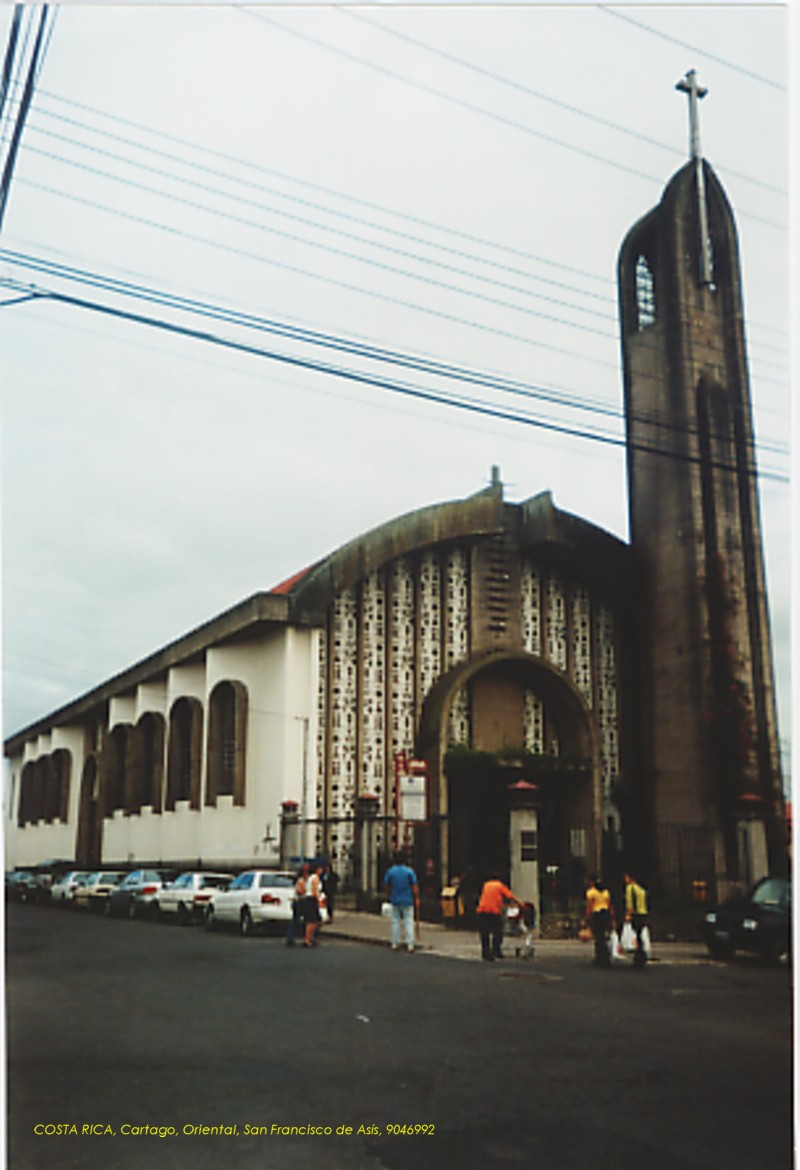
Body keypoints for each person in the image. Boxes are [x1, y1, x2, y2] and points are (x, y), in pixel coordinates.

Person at [475, 874, 524, 961]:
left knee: (484, 933)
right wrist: (520, 903)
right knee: (498, 932)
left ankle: (485, 953)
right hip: (493, 911)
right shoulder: (500, 886)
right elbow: (510, 896)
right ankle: (496, 951)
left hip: (481, 910)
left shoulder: (486, 884)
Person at [383, 851, 419, 952]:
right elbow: (414, 886)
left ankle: (395, 942)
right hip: (407, 900)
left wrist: (389, 894)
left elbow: (386, 885)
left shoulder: (390, 872)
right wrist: (416, 897)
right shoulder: (409, 872)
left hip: (395, 899)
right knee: (408, 922)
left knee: (395, 921)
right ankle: (410, 943)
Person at [584, 876, 615, 967]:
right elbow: (609, 905)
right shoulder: (605, 892)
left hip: (597, 915)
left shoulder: (591, 892)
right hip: (605, 914)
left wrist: (586, 917)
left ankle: (600, 957)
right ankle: (605, 956)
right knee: (604, 936)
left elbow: (589, 906)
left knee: (598, 936)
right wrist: (612, 917)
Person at [624, 872, 649, 968]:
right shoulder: (641, 889)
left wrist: (628, 915)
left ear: (630, 878)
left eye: (626, 878)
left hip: (636, 914)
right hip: (643, 913)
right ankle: (641, 954)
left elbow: (630, 903)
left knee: (636, 935)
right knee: (639, 935)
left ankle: (639, 955)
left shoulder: (630, 888)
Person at [286, 865, 309, 947]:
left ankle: (308, 937)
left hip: (302, 902)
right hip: (299, 902)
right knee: (295, 921)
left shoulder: (304, 880)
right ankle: (290, 938)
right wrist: (306, 891)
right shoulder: (301, 881)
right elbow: (299, 891)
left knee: (305, 920)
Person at [304, 864, 324, 947]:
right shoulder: (315, 878)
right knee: (312, 921)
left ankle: (311, 938)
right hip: (312, 900)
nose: (321, 870)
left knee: (316, 920)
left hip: (309, 899)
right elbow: (314, 890)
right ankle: (308, 939)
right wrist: (318, 900)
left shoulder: (310, 878)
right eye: (320, 869)